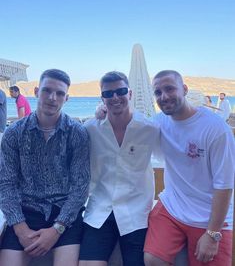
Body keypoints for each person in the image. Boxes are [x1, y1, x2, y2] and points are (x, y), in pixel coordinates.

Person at [144, 70, 235, 266]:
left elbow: (225, 185)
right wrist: (104, 111)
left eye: (170, 89)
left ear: (184, 89)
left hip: (210, 216)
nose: (164, 96)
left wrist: (212, 234)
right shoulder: (159, 122)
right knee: (152, 260)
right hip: (173, 208)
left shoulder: (216, 129)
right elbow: (132, 128)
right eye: (158, 92)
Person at [0, 69, 90, 266]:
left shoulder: (77, 133)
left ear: (66, 98)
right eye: (47, 90)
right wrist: (20, 229)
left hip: (65, 215)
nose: (52, 98)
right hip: (26, 212)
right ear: (36, 91)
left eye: (59, 93)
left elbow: (80, 187)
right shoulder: (14, 134)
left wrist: (57, 228)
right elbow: (6, 184)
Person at [79, 71, 161, 266]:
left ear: (130, 94)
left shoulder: (150, 129)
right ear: (102, 98)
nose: (115, 97)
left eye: (121, 91)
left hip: (136, 211)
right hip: (100, 210)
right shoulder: (91, 129)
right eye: (108, 94)